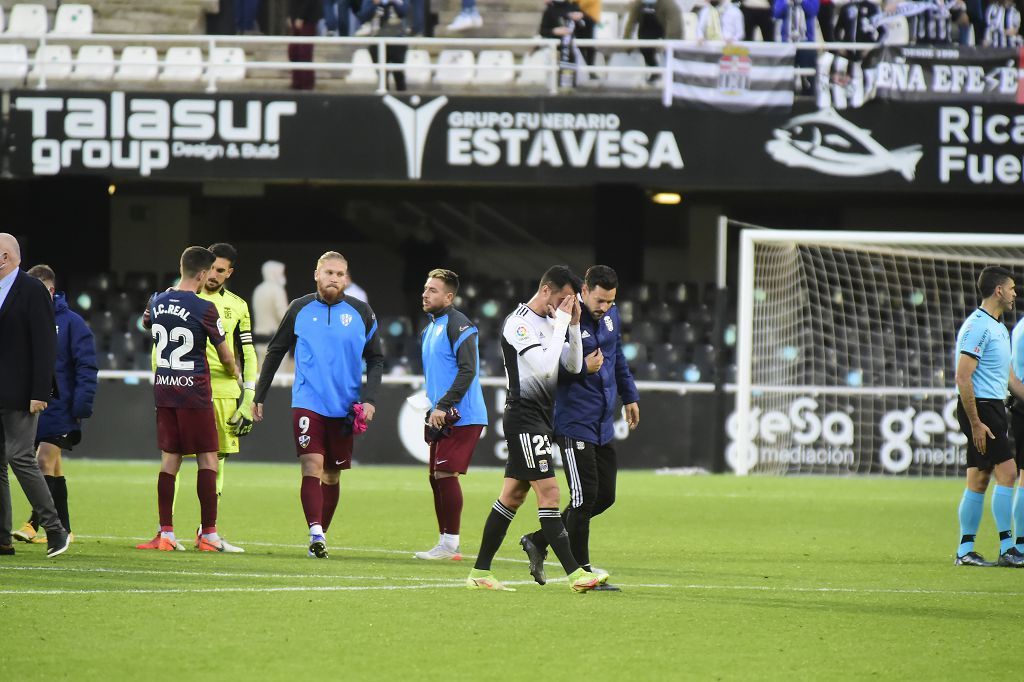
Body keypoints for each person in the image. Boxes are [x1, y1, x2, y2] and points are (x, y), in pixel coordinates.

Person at [466, 265, 601, 593]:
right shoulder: (519, 323)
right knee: (551, 493)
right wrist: (559, 327)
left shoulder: (554, 322)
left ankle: (480, 572)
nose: (568, 305)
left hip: (541, 416)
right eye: (564, 299)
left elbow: (571, 365)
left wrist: (573, 327)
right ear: (545, 291)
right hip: (524, 416)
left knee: (512, 496)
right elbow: (542, 369)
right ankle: (575, 575)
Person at [253, 251, 384, 559]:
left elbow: (376, 358)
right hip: (308, 401)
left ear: (346, 278)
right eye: (329, 273)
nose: (334, 278)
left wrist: (370, 399)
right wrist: (260, 395)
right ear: (317, 275)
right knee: (311, 465)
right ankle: (315, 531)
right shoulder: (299, 308)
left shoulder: (362, 312)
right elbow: (275, 351)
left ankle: (320, 537)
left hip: (345, 406)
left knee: (333, 475)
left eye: (340, 274)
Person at [519, 265, 639, 591]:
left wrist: (629, 396)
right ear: (584, 291)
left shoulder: (611, 318)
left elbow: (618, 360)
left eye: (610, 301)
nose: (604, 307)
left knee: (604, 497)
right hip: (573, 421)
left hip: (602, 422)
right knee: (584, 498)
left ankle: (538, 539)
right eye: (599, 300)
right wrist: (582, 369)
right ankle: (583, 572)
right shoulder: (563, 320)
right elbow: (548, 370)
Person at [146, 243, 256, 553]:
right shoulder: (204, 307)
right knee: (209, 458)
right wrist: (235, 373)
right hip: (194, 393)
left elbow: (147, 324)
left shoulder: (158, 300)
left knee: (170, 460)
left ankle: (165, 532)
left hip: (165, 389)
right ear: (203, 273)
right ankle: (209, 534)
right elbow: (225, 356)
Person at [12, 265, 97, 547]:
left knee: (41, 462)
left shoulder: (72, 323)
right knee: (53, 468)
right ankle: (63, 528)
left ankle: (42, 526)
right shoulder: (26, 320)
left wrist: (81, 406)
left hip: (60, 409)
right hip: (32, 408)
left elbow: (86, 366)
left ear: (48, 290)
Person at [0, 234, 70, 559]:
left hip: (23, 393)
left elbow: (45, 345)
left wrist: (40, 391)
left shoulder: (32, 290)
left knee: (20, 457)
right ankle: (2, 539)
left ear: (5, 257)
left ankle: (55, 530)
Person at [413, 269, 487, 561]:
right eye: (425, 288)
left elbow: (468, 370)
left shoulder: (460, 326)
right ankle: (445, 541)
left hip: (462, 414)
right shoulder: (428, 328)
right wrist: (431, 405)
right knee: (435, 476)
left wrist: (444, 405)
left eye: (432, 290)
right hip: (441, 412)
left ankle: (450, 544)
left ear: (449, 296)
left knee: (444, 473)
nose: (425, 293)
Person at [953, 266, 1024, 568]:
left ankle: (964, 550)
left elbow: (1008, 377)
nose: (1014, 294)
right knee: (1008, 473)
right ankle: (1009, 548)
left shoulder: (997, 326)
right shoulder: (978, 326)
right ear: (998, 290)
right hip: (982, 408)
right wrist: (976, 422)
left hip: (992, 406)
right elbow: (962, 376)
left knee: (979, 478)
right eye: (1010, 288)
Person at [357, 0, 409, 91]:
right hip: (377, 41)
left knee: (399, 75)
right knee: (382, 76)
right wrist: (375, 4)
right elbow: (363, 16)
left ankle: (402, 97)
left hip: (397, 41)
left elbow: (404, 12)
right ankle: (384, 97)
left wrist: (394, 2)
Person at [622, 0, 682, 73]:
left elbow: (675, 27)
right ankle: (654, 72)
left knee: (668, 55)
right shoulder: (638, 4)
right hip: (646, 30)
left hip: (663, 29)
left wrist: (670, 46)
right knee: (645, 49)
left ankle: (669, 73)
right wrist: (626, 44)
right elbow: (630, 24)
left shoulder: (669, 4)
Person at [252, 260, 289, 365]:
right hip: (275, 340)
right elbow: (283, 316)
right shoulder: (277, 290)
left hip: (260, 338)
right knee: (278, 377)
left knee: (263, 376)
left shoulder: (258, 290)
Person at [287, 0, 322, 90]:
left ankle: (307, 84)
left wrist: (301, 17)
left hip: (308, 18)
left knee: (304, 51)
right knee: (293, 51)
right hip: (296, 15)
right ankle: (297, 82)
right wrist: (291, 15)